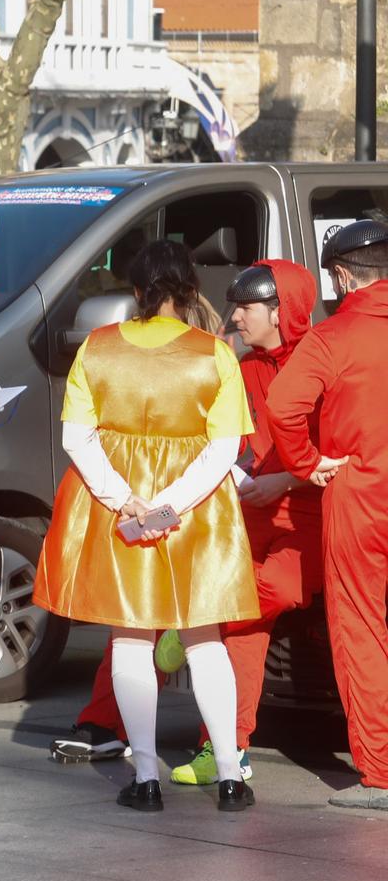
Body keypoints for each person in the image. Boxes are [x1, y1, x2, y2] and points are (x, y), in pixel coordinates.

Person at [34, 239, 259, 815]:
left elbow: (76, 438)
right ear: (188, 289)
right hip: (198, 509)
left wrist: (128, 500)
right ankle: (231, 777)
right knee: (206, 639)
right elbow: (225, 446)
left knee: (131, 637)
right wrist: (174, 503)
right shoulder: (215, 353)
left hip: (118, 511)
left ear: (135, 291)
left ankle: (146, 777)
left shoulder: (99, 348)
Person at [167, 259, 323, 785]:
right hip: (251, 508)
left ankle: (188, 633)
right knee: (245, 633)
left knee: (266, 594)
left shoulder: (323, 360)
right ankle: (226, 748)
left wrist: (287, 481)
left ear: (280, 313)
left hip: (314, 514)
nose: (234, 317)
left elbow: (346, 451)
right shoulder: (243, 365)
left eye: (246, 308)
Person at [267, 217, 388, 810]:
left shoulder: (331, 337)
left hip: (359, 494)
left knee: (363, 628)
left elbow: (282, 405)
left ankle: (382, 771)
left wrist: (307, 462)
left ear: (342, 275)